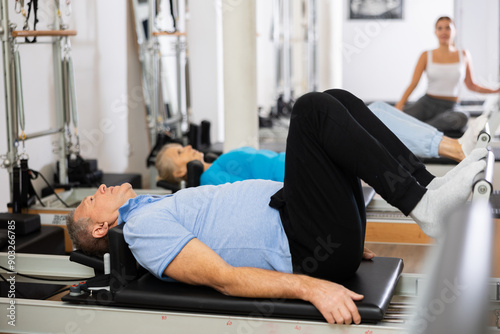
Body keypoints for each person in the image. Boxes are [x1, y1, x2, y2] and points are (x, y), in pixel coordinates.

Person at [67, 89, 486, 325]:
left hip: (314, 230)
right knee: (311, 110)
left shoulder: (154, 206)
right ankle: (426, 206)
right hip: (305, 245)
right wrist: (311, 286)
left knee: (341, 99)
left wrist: (334, 233)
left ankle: (427, 191)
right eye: (92, 198)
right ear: (101, 228)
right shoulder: (142, 228)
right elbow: (225, 279)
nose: (100, 187)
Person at [156, 100, 488, 186]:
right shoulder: (212, 179)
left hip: (302, 161)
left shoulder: (217, 163)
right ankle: (452, 149)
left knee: (369, 112)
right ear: (182, 169)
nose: (188, 146)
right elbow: (258, 193)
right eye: (180, 152)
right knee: (343, 112)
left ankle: (449, 147)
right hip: (303, 170)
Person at [395, 16, 500, 132]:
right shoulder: (426, 55)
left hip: (450, 106)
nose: (443, 31)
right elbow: (414, 83)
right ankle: (425, 128)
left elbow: (471, 85)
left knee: (462, 118)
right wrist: (399, 105)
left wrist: (494, 91)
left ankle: (420, 128)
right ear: (435, 32)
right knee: (396, 118)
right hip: (426, 103)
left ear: (455, 31)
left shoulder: (464, 54)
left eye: (448, 28)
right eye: (440, 28)